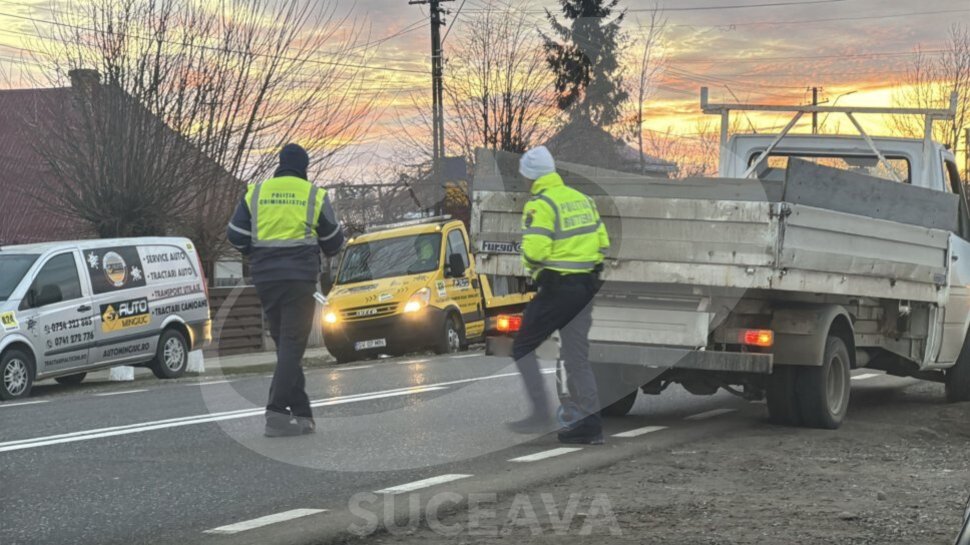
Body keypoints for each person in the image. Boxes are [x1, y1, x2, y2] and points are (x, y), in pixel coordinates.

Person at [227, 143, 344, 437]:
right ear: (304, 167)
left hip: (265, 280)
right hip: (300, 282)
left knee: (286, 348)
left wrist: (256, 251)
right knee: (292, 346)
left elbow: (236, 236)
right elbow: (333, 242)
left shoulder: (256, 193)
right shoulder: (313, 195)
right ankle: (276, 414)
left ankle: (302, 415)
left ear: (280, 164)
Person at [506, 146, 610, 445]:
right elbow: (603, 241)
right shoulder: (583, 200)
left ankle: (540, 415)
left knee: (523, 346)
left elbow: (536, 251)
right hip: (586, 287)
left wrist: (532, 262)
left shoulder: (541, 204)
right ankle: (591, 425)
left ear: (531, 177)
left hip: (556, 288)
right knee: (577, 357)